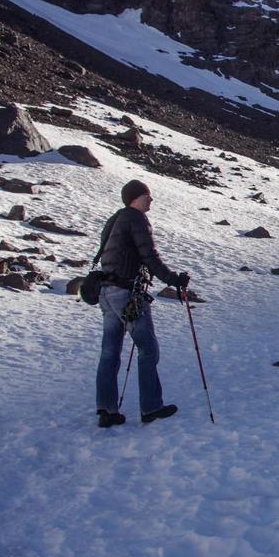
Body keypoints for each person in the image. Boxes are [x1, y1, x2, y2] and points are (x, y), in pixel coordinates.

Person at [93, 179, 190, 427]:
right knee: (148, 349)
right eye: (148, 195)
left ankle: (107, 409)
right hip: (127, 293)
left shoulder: (115, 219)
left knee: (109, 352)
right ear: (136, 197)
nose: (151, 199)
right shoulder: (136, 219)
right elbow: (150, 255)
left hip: (107, 292)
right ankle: (151, 407)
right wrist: (173, 279)